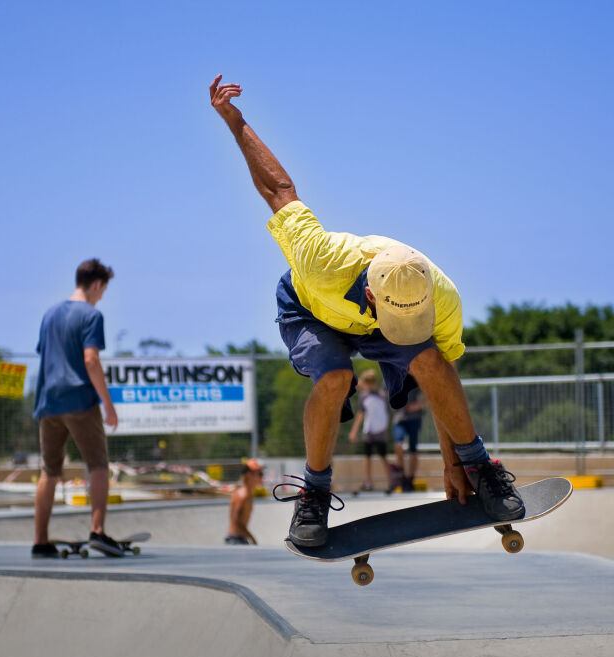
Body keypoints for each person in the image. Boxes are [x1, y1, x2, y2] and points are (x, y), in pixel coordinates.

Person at [209, 75, 524, 548]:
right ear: (374, 297)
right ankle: (313, 495)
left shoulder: (441, 295)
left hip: (375, 315)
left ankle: (483, 466)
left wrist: (455, 461)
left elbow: (441, 381)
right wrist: (236, 123)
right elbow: (279, 189)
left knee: (430, 361)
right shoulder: (321, 257)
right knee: (335, 378)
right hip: (311, 310)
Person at [31, 259, 122, 558]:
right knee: (97, 466)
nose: (101, 297)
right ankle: (97, 531)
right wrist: (108, 405)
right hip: (80, 402)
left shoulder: (49, 315)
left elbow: (45, 358)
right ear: (96, 284)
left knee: (50, 471)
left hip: (48, 403)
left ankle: (40, 541)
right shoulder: (91, 316)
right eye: (103, 291)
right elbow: (91, 360)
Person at [348, 369, 395, 492]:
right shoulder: (365, 396)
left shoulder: (381, 396)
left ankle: (391, 482)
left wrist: (385, 425)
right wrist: (354, 431)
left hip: (379, 430)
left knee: (383, 456)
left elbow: (386, 413)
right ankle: (369, 482)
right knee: (367, 457)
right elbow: (361, 414)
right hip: (369, 430)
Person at [393, 387, 426, 492]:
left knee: (413, 450)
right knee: (398, 444)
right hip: (399, 418)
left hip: (415, 418)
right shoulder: (393, 372)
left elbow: (430, 392)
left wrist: (419, 405)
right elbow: (384, 392)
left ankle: (410, 479)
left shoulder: (416, 376)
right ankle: (401, 475)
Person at [224, 458, 264, 545]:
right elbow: (236, 522)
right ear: (249, 475)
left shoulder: (246, 494)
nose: (262, 477)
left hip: (239, 538)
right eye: (260, 474)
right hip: (235, 539)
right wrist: (253, 539)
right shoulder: (243, 496)